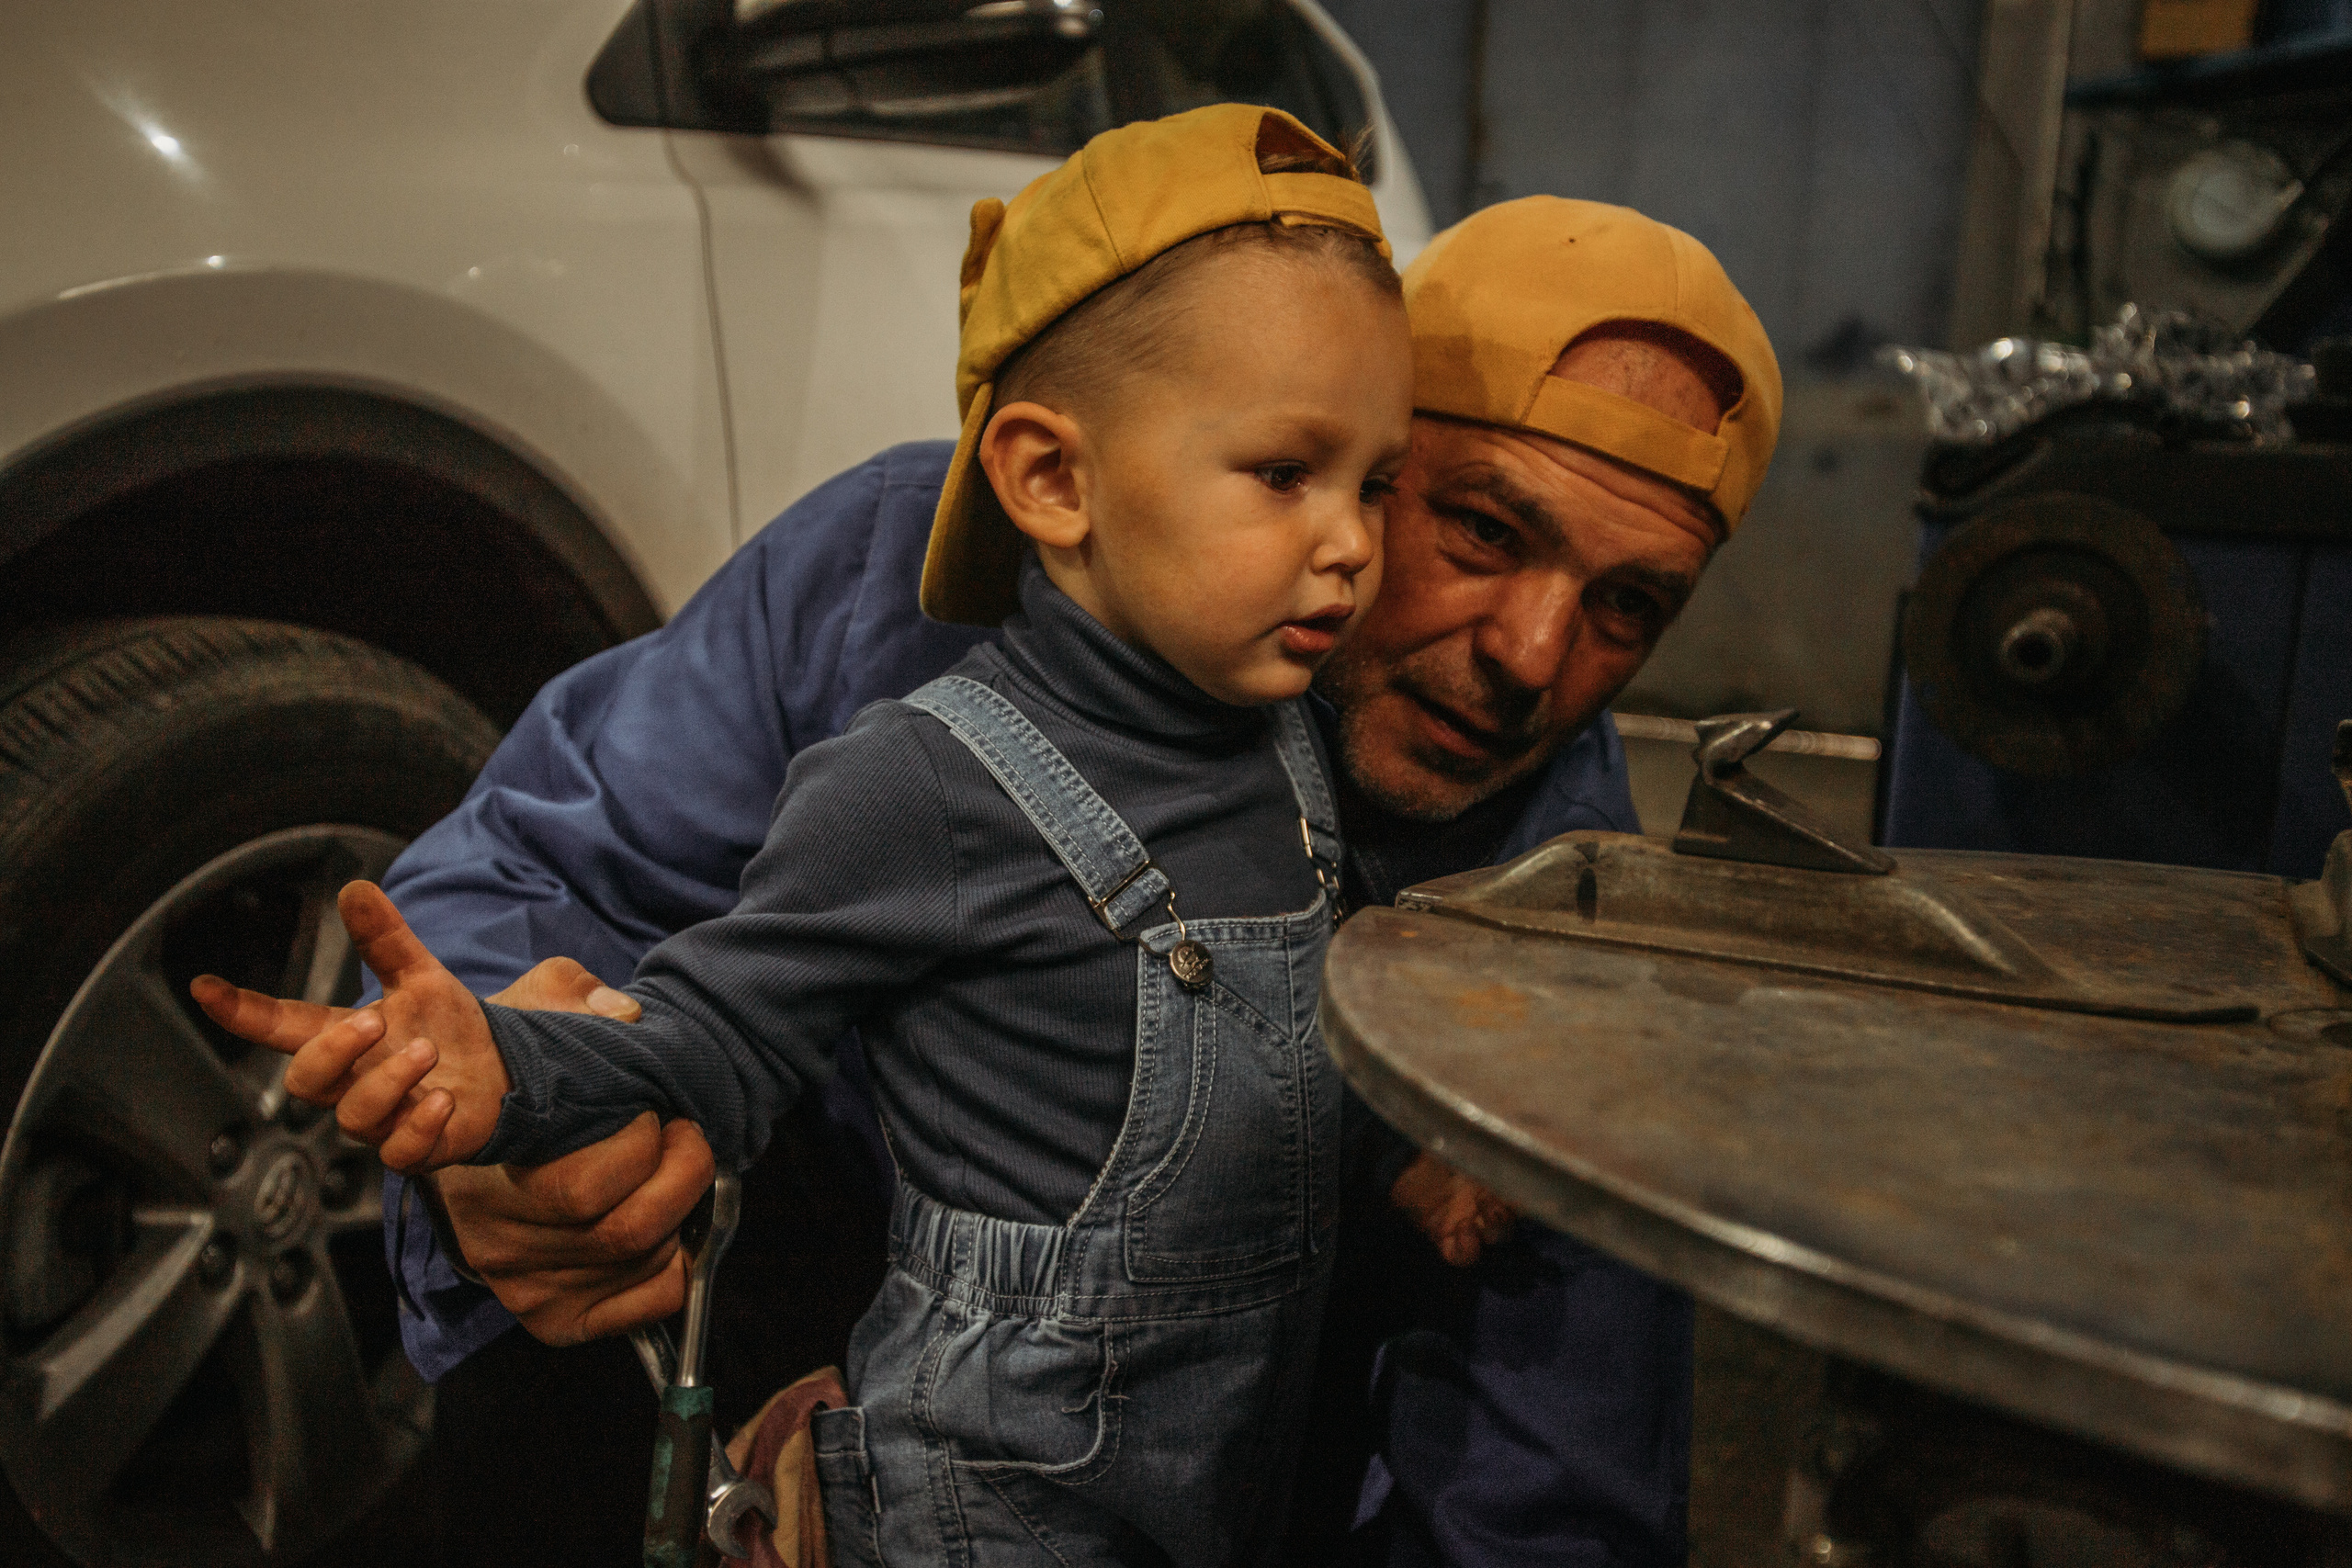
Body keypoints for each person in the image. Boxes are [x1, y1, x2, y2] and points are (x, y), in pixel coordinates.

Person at [303, 193, 1778, 1566]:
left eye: (1627, 604)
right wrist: (509, 1117)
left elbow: (1547, 1481)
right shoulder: (898, 587)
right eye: (1476, 527)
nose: (1529, 655)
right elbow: (542, 856)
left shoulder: (1568, 921)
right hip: (783, 1272)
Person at [202, 102, 1461, 1566]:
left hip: (1211, 1481)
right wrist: (496, 1068)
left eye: (1377, 484)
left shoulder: (1289, 747)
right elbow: (709, 1041)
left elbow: (1290, 1066)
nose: (1355, 543)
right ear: (1052, 479)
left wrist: (1403, 1162)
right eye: (1284, 474)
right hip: (988, 1513)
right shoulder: (919, 779)